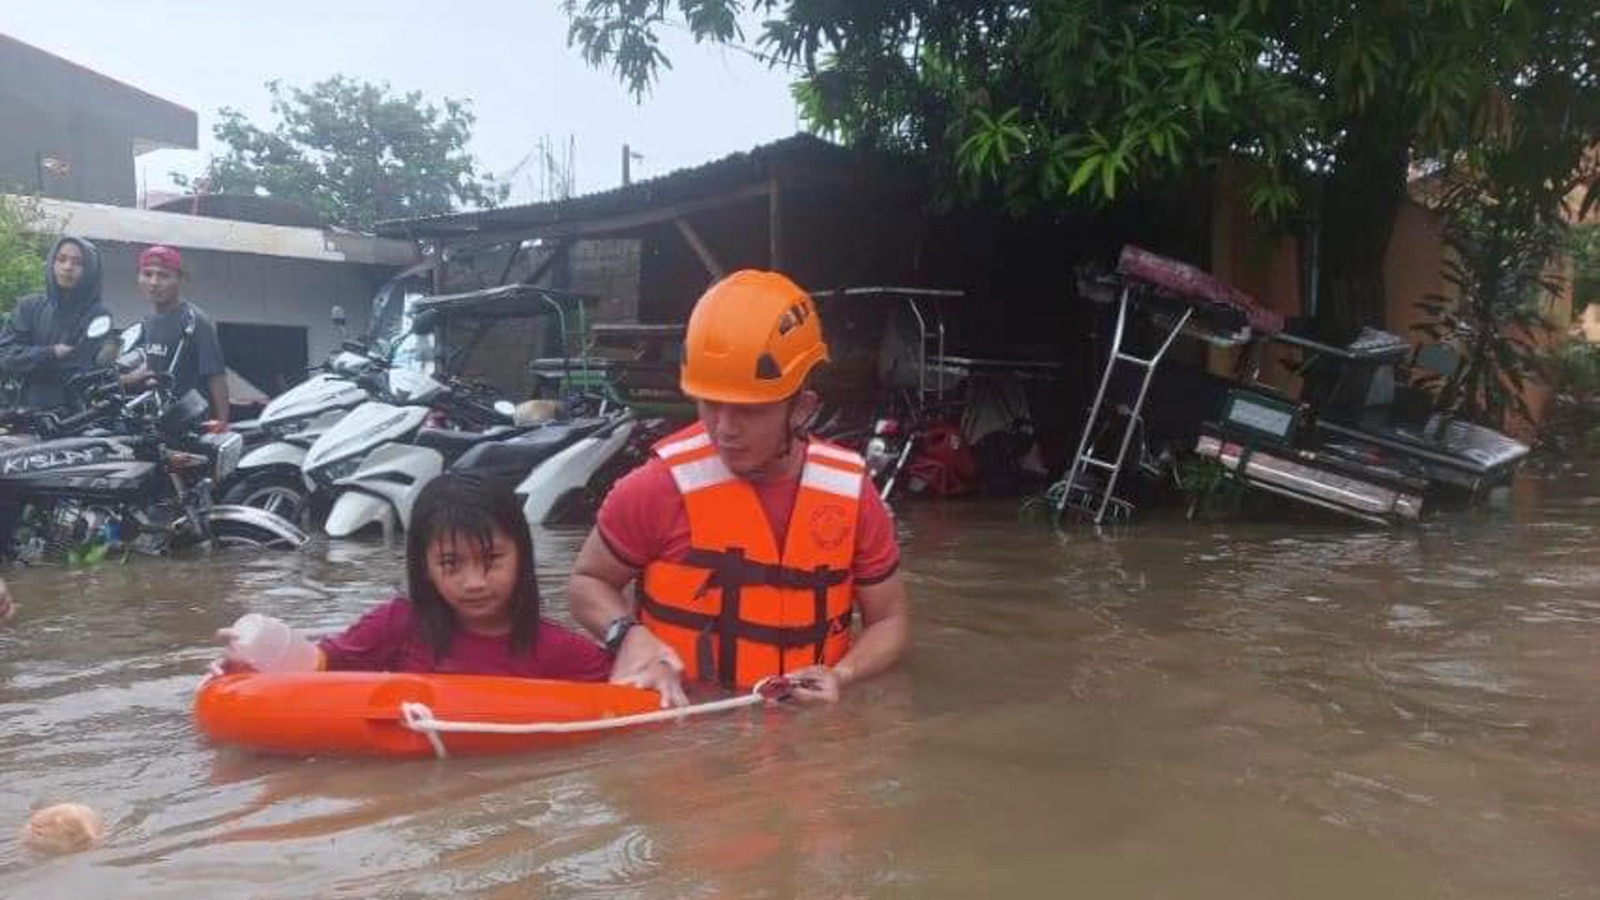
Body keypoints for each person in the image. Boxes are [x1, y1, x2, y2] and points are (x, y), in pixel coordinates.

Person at [567, 270, 910, 707]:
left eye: (750, 410)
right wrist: (626, 636)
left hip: (811, 737)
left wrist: (843, 673)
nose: (725, 430)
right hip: (684, 729)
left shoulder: (853, 494)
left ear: (802, 408)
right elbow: (586, 582)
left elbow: (890, 620)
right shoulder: (656, 487)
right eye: (711, 405)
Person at [216, 474, 611, 679]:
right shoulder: (397, 625)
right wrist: (254, 663)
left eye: (491, 560)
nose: (473, 582)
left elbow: (633, 693)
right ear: (425, 566)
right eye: (451, 564)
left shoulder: (558, 650)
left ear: (522, 557)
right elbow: (318, 666)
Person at [121, 246, 229, 427]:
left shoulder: (195, 321)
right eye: (147, 274)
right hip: (156, 422)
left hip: (190, 421)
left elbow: (216, 375)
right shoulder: (149, 322)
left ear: (179, 279)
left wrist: (223, 422)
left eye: (163, 276)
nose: (154, 282)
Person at [0, 236, 110, 409]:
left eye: (77, 262)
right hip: (20, 412)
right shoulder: (29, 307)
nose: (67, 267)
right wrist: (51, 353)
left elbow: (80, 368)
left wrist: (25, 361)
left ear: (91, 269)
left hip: (74, 418)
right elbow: (4, 356)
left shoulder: (98, 316)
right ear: (52, 262)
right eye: (61, 259)